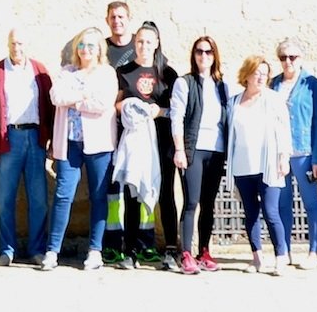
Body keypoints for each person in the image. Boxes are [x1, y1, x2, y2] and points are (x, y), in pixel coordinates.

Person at [41, 27, 118, 271]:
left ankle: (95, 251)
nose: (86, 50)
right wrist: (84, 95)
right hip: (69, 143)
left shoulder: (107, 73)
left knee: (98, 196)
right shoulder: (66, 72)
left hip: (99, 144)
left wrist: (74, 99)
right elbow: (55, 97)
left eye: (91, 46)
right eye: (82, 45)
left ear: (99, 50)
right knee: (64, 195)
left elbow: (103, 103)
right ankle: (53, 251)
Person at [0, 27, 53, 267]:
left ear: (27, 44)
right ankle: (7, 250)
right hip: (9, 139)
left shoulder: (39, 71)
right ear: (7, 45)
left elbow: (51, 108)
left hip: (36, 139)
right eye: (13, 44)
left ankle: (37, 249)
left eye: (20, 44)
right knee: (4, 199)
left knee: (39, 198)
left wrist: (52, 141)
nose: (17, 48)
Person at [112, 21, 178, 269]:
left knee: (166, 194)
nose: (143, 46)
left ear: (157, 43)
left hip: (162, 142)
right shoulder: (124, 71)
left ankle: (171, 249)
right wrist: (127, 108)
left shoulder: (168, 74)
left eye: (149, 41)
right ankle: (130, 252)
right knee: (131, 195)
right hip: (134, 142)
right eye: (139, 41)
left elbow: (178, 110)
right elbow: (115, 104)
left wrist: (159, 110)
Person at [169, 34, 231, 275]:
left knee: (209, 203)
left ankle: (204, 251)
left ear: (215, 56)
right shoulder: (184, 83)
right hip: (193, 150)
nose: (203, 56)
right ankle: (186, 253)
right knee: (191, 201)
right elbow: (177, 117)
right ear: (193, 55)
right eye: (199, 51)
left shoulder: (222, 86)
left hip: (216, 150)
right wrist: (179, 150)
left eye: (208, 52)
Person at [226, 55, 292, 275]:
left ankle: (281, 257)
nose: (262, 77)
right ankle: (257, 258)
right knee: (251, 213)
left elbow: (284, 130)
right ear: (247, 74)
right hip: (242, 166)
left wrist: (284, 157)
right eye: (257, 73)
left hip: (268, 165)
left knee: (271, 211)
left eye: (265, 74)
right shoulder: (234, 101)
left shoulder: (273, 99)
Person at [269, 38, 317, 269]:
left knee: (311, 202)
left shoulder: (312, 84)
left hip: (303, 152)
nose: (288, 62)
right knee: (282, 203)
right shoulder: (273, 84)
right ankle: (285, 251)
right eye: (283, 57)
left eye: (292, 57)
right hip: (279, 153)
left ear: (300, 58)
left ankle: (315, 251)